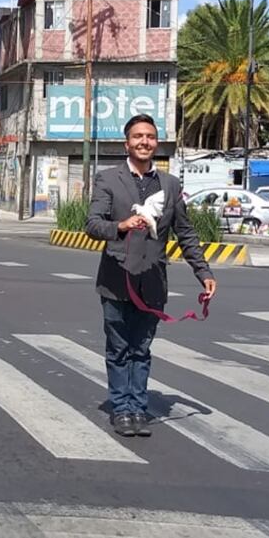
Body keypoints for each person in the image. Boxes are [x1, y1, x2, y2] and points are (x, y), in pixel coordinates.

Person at [85, 114, 218, 437]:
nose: (144, 142)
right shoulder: (108, 179)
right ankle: (121, 407)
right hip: (117, 281)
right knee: (119, 348)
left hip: (153, 282)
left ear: (156, 142)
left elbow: (185, 232)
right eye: (137, 136)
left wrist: (203, 272)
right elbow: (92, 225)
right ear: (126, 143)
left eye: (150, 136)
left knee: (141, 349)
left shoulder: (170, 185)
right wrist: (121, 226)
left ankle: (137, 407)